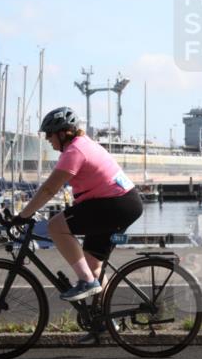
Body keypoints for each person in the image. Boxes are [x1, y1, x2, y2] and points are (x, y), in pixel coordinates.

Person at [13, 106, 142, 302]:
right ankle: (107, 322)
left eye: (49, 134)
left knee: (55, 227)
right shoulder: (83, 144)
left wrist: (23, 215)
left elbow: (49, 189)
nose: (47, 138)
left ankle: (86, 281)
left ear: (63, 133)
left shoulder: (75, 151)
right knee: (92, 264)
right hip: (125, 203)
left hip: (115, 203)